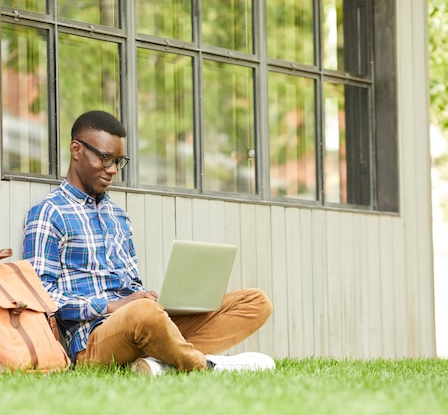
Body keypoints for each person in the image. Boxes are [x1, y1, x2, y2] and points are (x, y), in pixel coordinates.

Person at [23, 110, 274, 374]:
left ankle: (159, 363)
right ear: (76, 149)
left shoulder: (118, 216)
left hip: (140, 321)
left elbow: (132, 285)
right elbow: (42, 299)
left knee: (255, 302)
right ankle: (207, 365)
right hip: (94, 341)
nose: (113, 170)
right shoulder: (48, 213)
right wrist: (112, 306)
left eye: (119, 161)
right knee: (144, 314)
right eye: (106, 158)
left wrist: (152, 298)